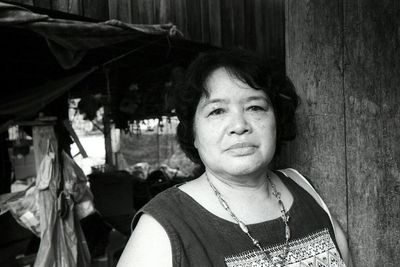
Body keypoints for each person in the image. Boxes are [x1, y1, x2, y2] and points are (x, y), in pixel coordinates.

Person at [117, 49, 353, 267]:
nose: (239, 126)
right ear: (193, 133)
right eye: (217, 111)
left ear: (277, 122)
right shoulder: (163, 228)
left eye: (255, 107)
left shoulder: (305, 190)